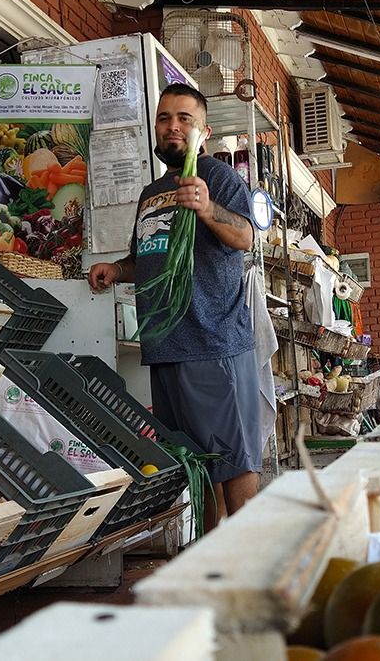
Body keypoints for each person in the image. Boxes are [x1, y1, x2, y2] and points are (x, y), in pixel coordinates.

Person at [88, 83, 261, 532]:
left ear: (203, 129)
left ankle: (253, 563)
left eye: (184, 118)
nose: (173, 126)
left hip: (211, 342)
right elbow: (147, 257)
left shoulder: (219, 178)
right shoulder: (151, 193)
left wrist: (207, 208)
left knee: (233, 460)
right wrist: (116, 269)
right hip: (164, 345)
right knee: (194, 463)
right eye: (164, 118)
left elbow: (245, 236)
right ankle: (208, 557)